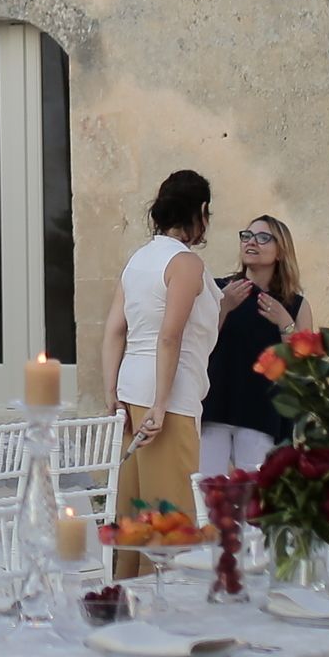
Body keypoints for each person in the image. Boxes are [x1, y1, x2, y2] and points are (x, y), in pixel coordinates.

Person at [99, 169, 218, 522]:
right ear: (202, 211)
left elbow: (114, 330)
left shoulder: (139, 259)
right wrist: (162, 403)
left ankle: (126, 578)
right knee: (169, 514)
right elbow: (170, 335)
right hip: (168, 395)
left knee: (134, 514)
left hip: (130, 389)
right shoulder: (185, 262)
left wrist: (110, 390)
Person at [199, 214, 312, 480]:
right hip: (215, 404)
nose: (252, 243)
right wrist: (223, 307)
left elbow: (303, 365)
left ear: (280, 250)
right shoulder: (218, 290)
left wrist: (285, 323)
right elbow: (198, 344)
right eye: (247, 236)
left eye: (263, 238)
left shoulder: (294, 304)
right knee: (206, 491)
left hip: (262, 409)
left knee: (257, 495)